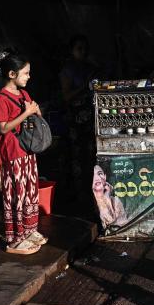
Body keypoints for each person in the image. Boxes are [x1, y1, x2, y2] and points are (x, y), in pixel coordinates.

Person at [0, 49, 46, 255]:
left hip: (27, 150)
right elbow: (3, 128)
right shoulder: (2, 98)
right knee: (16, 193)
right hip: (13, 153)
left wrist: (34, 110)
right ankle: (15, 238)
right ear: (11, 75)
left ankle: (30, 230)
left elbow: (35, 114)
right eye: (25, 73)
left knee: (30, 191)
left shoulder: (23, 93)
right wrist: (26, 113)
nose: (29, 77)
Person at [60, 35, 98, 198]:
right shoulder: (67, 70)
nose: (83, 52)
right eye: (79, 49)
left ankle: (93, 189)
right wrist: (84, 86)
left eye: (85, 49)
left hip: (90, 117)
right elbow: (66, 96)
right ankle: (79, 193)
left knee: (91, 153)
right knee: (77, 154)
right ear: (71, 51)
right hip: (75, 119)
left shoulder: (90, 68)